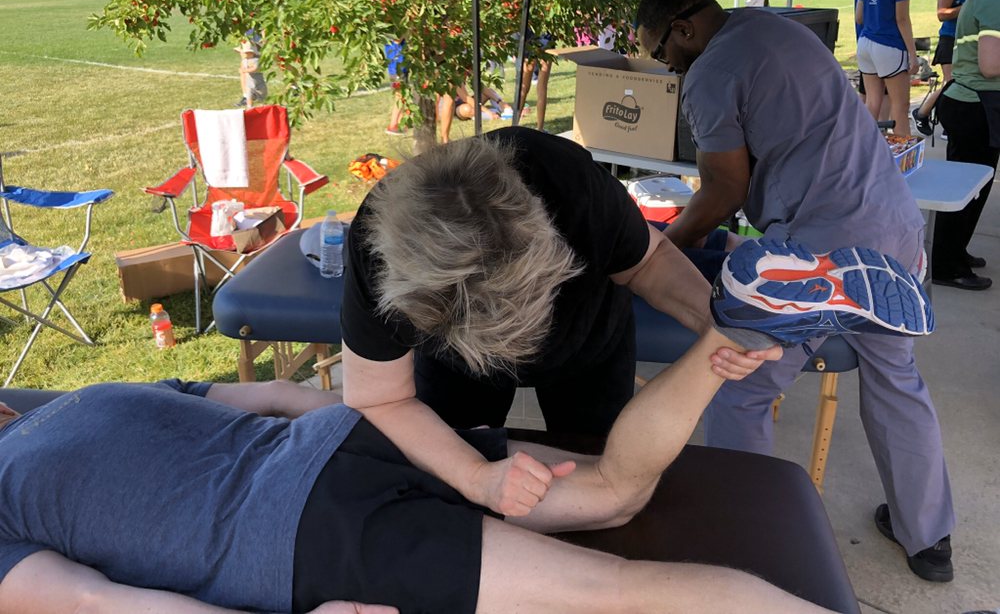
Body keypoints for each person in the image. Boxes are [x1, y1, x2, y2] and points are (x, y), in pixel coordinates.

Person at [0, 239, 931, 614]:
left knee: (616, 593)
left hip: (313, 532)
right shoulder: (102, 394)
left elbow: (90, 605)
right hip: (352, 447)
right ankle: (735, 324)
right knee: (615, 492)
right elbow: (285, 402)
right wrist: (418, 451)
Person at [635, 0, 956, 583]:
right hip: (891, 224)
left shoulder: (710, 71)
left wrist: (656, 250)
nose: (668, 67)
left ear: (683, 29)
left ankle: (743, 540)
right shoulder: (777, 28)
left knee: (741, 387)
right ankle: (928, 536)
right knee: (896, 379)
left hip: (818, 256)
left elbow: (723, 190)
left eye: (661, 53)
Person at [340, 128, 780, 512]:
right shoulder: (375, 250)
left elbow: (649, 260)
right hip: (455, 368)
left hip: (589, 345)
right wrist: (476, 477)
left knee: (605, 474)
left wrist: (715, 323)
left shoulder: (570, 182)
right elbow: (380, 400)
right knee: (447, 492)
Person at [929, 0, 1000, 290]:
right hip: (974, 106)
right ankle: (946, 265)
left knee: (975, 188)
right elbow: (990, 66)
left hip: (972, 104)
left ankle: (955, 252)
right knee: (964, 190)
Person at [912, 0, 985, 134]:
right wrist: (966, 7)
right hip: (950, 38)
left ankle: (953, 120)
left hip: (969, 41)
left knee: (965, 81)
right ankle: (923, 113)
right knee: (951, 82)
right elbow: (942, 14)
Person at [856, 0, 918, 138]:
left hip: (865, 43)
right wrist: (912, 54)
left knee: (872, 101)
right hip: (889, 45)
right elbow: (902, 18)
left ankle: (864, 147)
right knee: (900, 106)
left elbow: (859, 17)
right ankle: (903, 152)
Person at [436, 83, 512, 143]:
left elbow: (470, 95)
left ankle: (502, 106)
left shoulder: (461, 74)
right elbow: (466, 98)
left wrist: (500, 102)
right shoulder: (450, 77)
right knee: (467, 109)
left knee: (487, 91)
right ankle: (491, 113)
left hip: (463, 101)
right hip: (457, 107)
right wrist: (488, 112)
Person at [234, 30, 267, 107]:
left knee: (254, 68)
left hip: (257, 40)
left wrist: (264, 38)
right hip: (248, 36)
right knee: (244, 68)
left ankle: (255, 95)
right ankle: (246, 96)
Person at [383, 40, 407, 136]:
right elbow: (397, 40)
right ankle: (393, 124)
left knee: (402, 95)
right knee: (399, 95)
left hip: (401, 66)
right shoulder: (393, 32)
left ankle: (400, 123)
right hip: (396, 67)